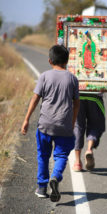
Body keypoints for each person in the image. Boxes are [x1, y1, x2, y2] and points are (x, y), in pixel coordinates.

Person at [21, 45, 80, 202]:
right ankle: (55, 176)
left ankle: (42, 187)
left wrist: (26, 119)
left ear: (49, 60)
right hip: (64, 126)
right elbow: (76, 104)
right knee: (61, 155)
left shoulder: (44, 76)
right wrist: (72, 123)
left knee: (43, 156)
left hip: (45, 125)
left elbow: (35, 99)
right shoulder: (73, 78)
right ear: (67, 61)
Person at [72, 92, 106, 172]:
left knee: (78, 126)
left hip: (78, 95)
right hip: (95, 96)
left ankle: (77, 162)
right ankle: (89, 149)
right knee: (95, 125)